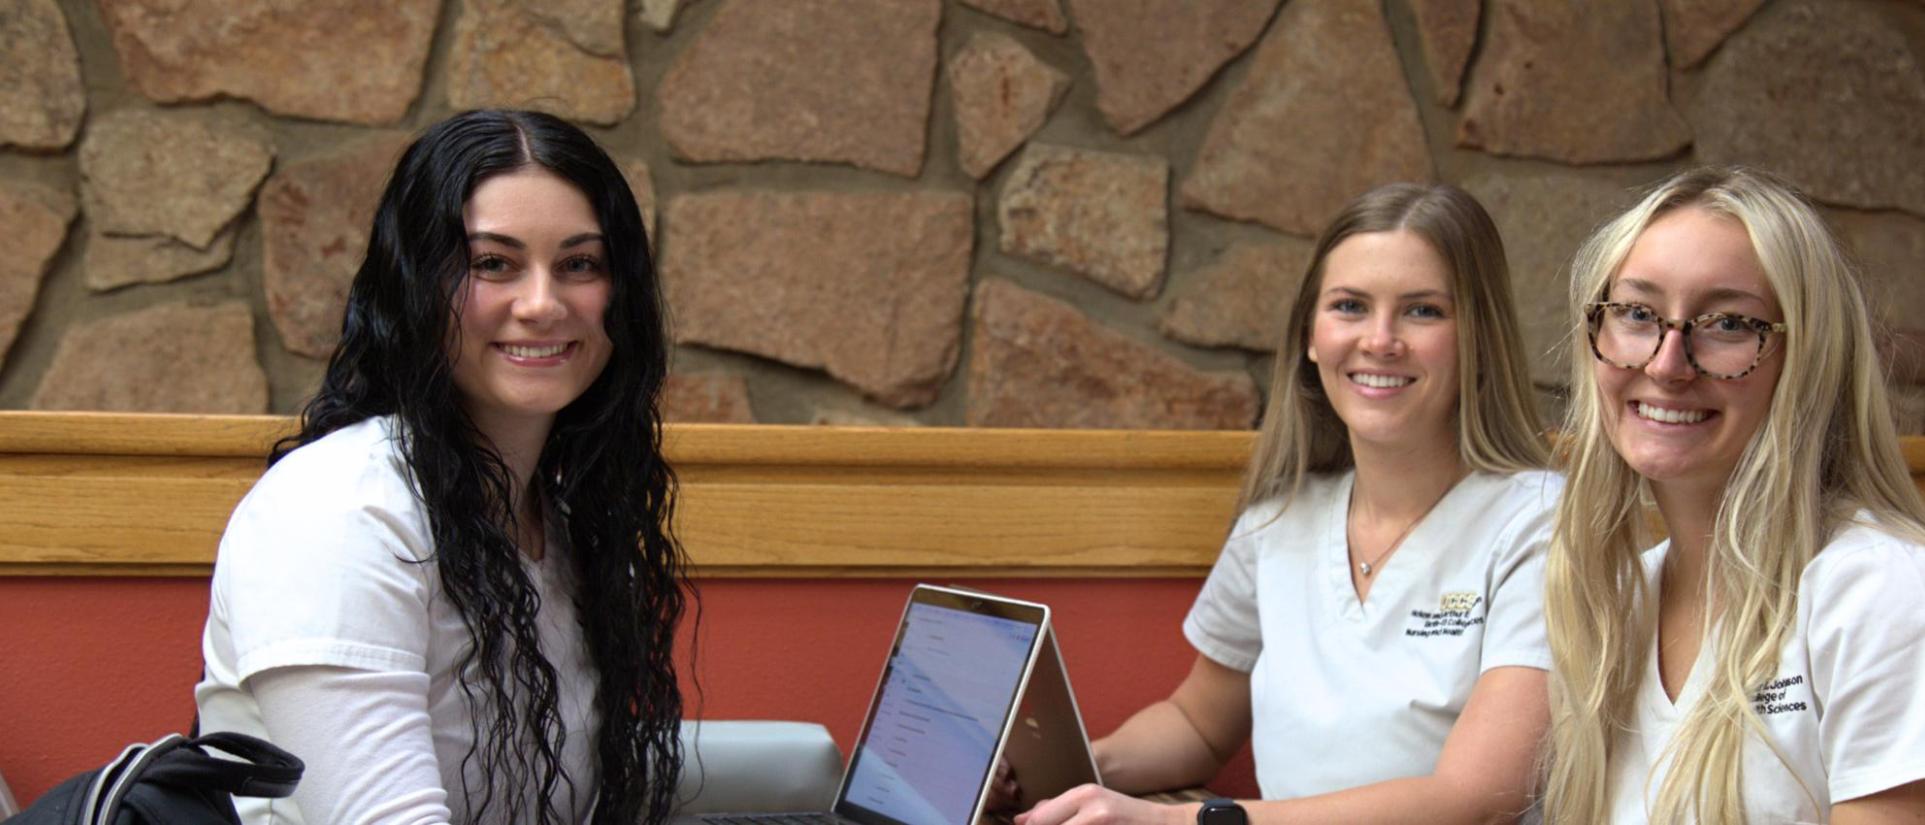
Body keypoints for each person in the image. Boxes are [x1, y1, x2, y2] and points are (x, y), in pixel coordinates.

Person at [194, 109, 689, 825]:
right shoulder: (339, 512)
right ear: (416, 285)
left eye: (580, 264)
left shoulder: (560, 515)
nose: (542, 303)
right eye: (494, 263)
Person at [1016, 183, 1560, 825]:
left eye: (1422, 311)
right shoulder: (1276, 522)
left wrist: (1170, 821)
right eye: (1350, 306)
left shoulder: (1541, 522)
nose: (1380, 340)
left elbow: (1472, 800)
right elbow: (1196, 723)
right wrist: (1063, 777)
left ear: (1478, 338)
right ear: (1310, 334)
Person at [1541, 167, 1925, 823]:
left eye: (1726, 324)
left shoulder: (1876, 589)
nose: (1666, 363)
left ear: (1807, 357)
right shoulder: (1615, 600)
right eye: (1637, 313)